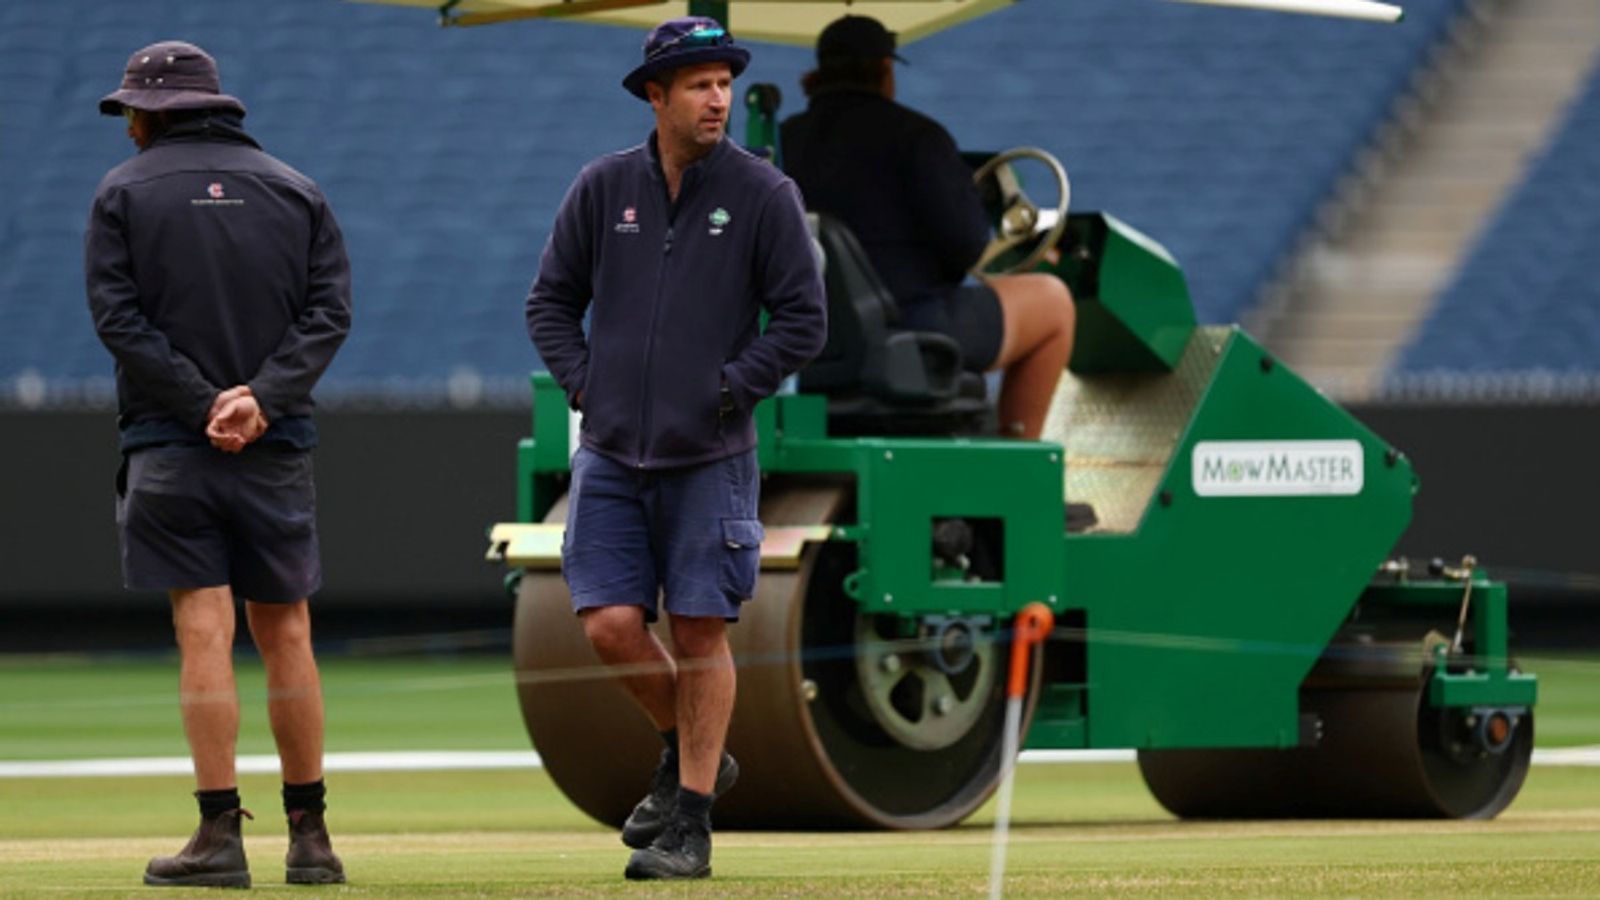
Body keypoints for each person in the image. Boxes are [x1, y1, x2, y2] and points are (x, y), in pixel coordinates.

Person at [525, 16, 827, 881]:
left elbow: (805, 320)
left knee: (700, 630)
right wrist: (587, 384)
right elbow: (548, 303)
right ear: (654, 95)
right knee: (612, 625)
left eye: (724, 81)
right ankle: (690, 749)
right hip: (613, 451)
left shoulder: (765, 193)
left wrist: (731, 388)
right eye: (698, 83)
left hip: (712, 455)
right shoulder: (601, 186)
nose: (718, 96)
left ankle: (690, 821)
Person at [85, 41, 351, 889]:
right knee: (289, 632)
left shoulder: (122, 192)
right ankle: (310, 838)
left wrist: (202, 404)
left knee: (204, 629)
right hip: (274, 444)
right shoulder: (295, 189)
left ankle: (219, 837)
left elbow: (118, 321)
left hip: (169, 444)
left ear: (147, 113)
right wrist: (259, 399)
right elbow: (329, 313)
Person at [781, 15, 1076, 439]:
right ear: (884, 71)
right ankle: (1020, 460)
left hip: (812, 348)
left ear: (819, 73)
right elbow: (968, 247)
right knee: (1053, 302)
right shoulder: (917, 139)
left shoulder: (783, 141)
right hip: (908, 331)